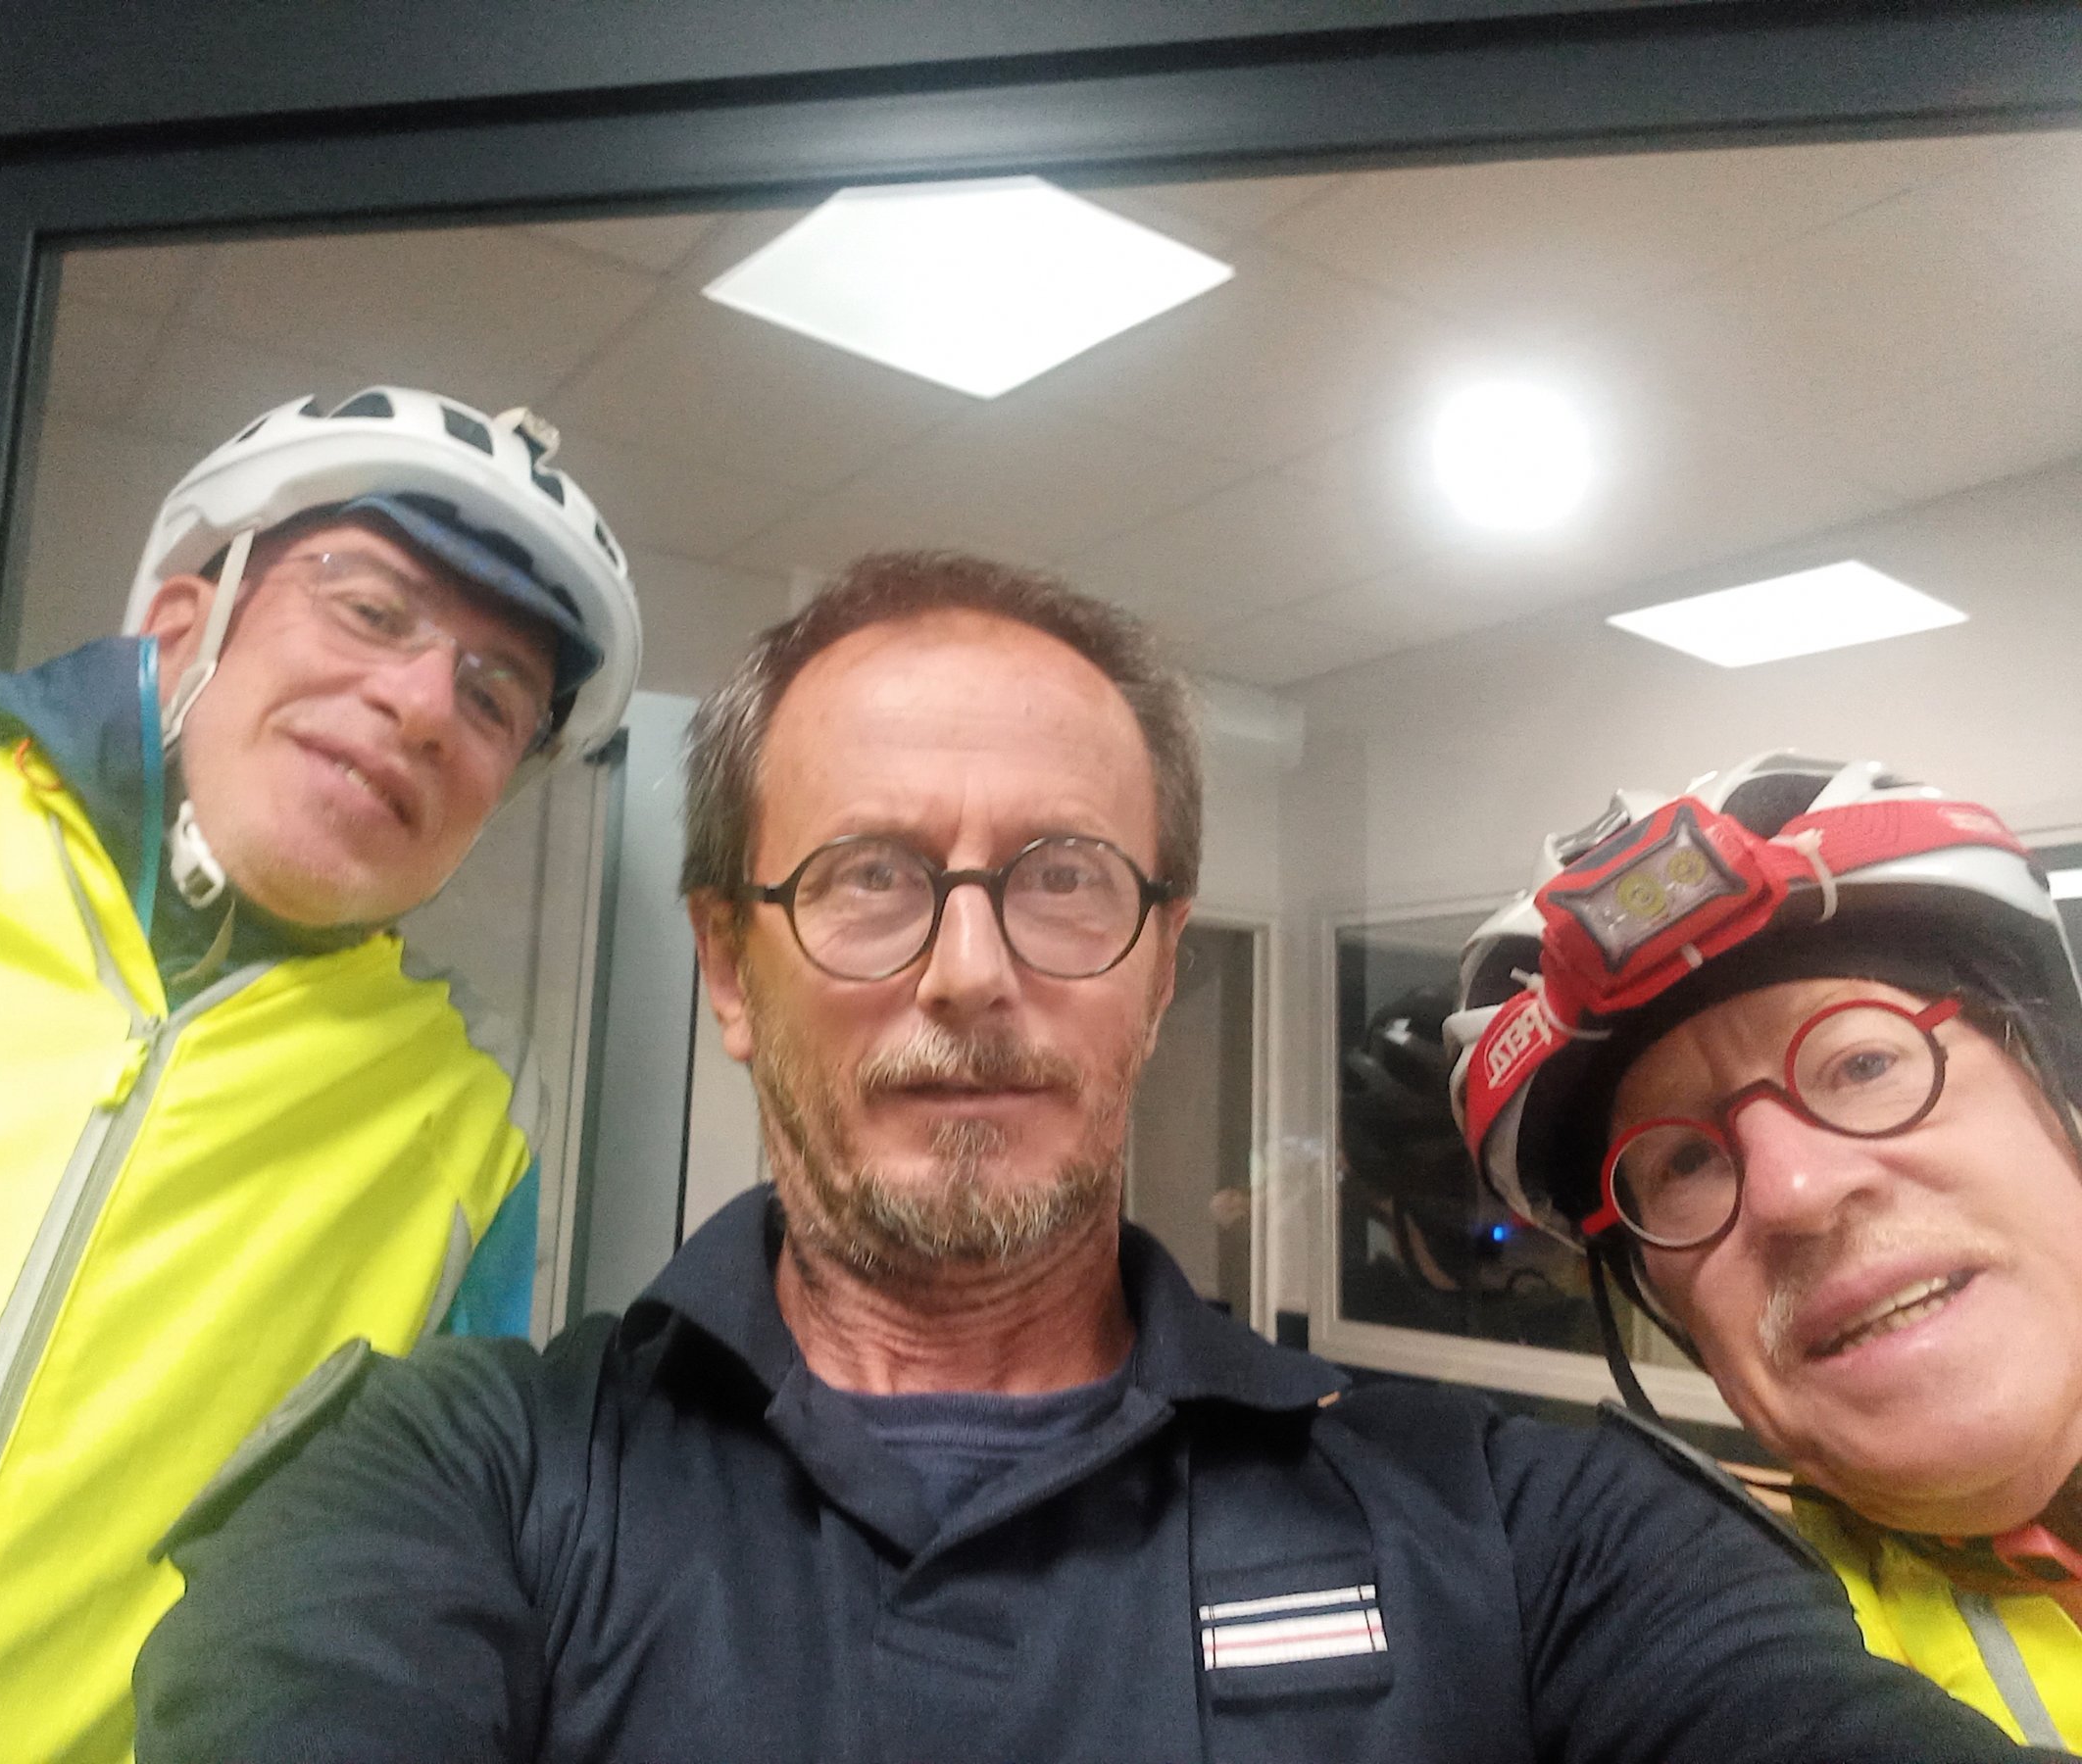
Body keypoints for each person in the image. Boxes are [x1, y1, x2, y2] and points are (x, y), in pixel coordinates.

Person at [135, 558, 2036, 1762]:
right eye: (869, 879)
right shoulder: (450, 1482)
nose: (970, 972)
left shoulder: (1526, 1526)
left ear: (1156, 966)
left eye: (1061, 881)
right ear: (728, 967)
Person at [0, 386, 640, 1762]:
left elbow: (389, 1592)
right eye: (370, 609)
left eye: (492, 696)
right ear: (180, 620)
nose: (421, 705)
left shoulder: (468, 1135)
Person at [1448, 752, 2082, 1747]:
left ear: (2063, 1098)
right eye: (1684, 1163)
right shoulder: (1722, 1654)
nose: (1794, 1192)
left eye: (1862, 1063)